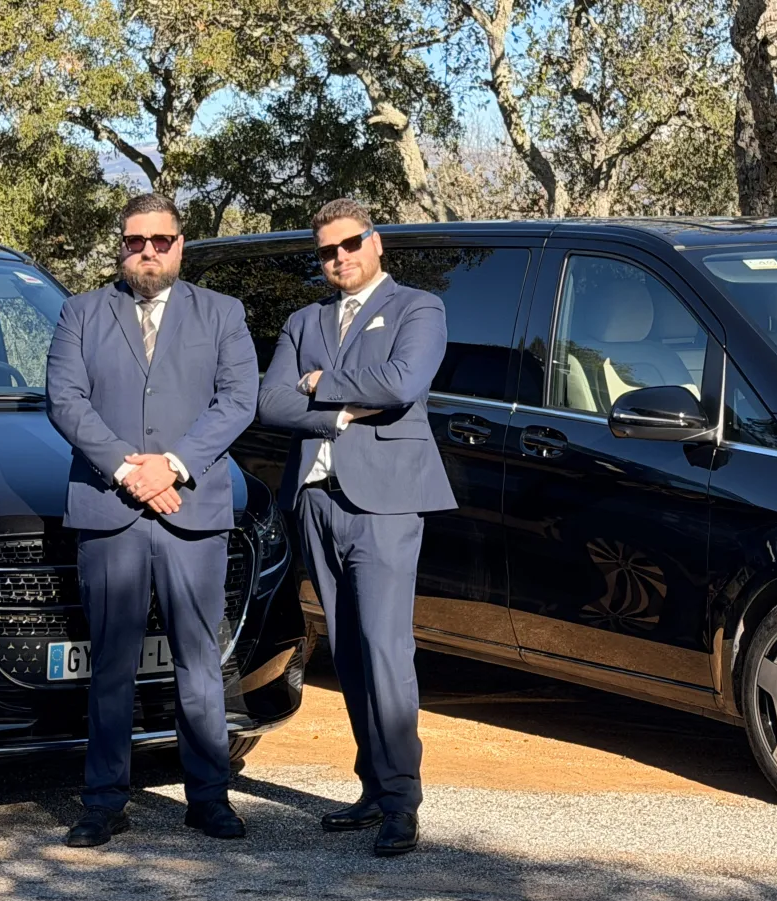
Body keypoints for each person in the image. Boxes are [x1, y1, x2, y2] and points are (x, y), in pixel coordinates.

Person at [46, 193, 259, 847]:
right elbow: (66, 398)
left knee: (200, 662)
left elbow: (238, 399)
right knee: (110, 663)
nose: (147, 251)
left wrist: (172, 465)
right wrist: (127, 469)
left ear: (180, 244)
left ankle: (209, 797)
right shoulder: (82, 312)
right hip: (110, 511)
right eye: (135, 240)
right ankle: (104, 800)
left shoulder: (221, 313)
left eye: (160, 240)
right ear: (121, 245)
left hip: (190, 512)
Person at [257, 198, 456, 857]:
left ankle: (402, 800)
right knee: (345, 650)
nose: (339, 258)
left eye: (350, 244)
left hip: (386, 504)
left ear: (376, 244)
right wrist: (337, 411)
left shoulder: (416, 308)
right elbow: (273, 400)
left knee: (385, 648)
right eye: (326, 251)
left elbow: (402, 383)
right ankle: (373, 788)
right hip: (316, 500)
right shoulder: (303, 318)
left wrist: (318, 380)